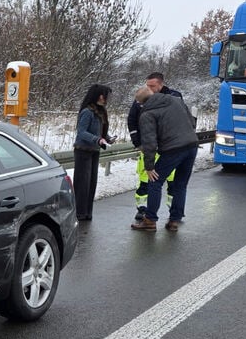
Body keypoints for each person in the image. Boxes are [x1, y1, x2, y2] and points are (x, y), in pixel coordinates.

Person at [129, 86, 199, 232]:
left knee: (155, 181)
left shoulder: (147, 114)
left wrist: (149, 167)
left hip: (172, 149)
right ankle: (174, 220)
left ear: (141, 104)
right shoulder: (176, 100)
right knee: (180, 185)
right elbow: (192, 122)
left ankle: (150, 220)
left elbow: (149, 142)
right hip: (192, 145)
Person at [127, 73, 182, 221]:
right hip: (148, 146)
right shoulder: (142, 98)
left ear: (161, 84)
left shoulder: (173, 97)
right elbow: (132, 119)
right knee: (145, 180)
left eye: (152, 86)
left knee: (173, 181)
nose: (149, 88)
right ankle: (142, 208)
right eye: (147, 85)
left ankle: (173, 210)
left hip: (169, 147)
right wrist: (137, 142)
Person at [72, 84, 115, 221]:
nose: (106, 98)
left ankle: (87, 212)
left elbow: (100, 131)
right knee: (82, 183)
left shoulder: (100, 111)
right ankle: (79, 212)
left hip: (94, 151)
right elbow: (82, 132)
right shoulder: (87, 112)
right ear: (98, 95)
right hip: (83, 151)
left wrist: (107, 138)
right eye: (104, 95)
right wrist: (97, 140)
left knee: (91, 183)